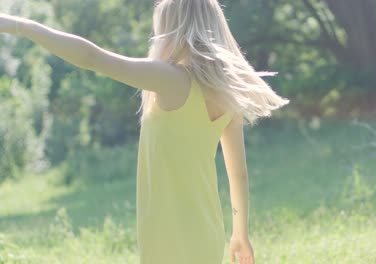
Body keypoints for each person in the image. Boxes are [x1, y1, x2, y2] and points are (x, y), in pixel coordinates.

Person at [0, 0, 289, 263]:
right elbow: (238, 173)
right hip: (207, 228)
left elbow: (91, 57)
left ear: (172, 28)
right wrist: (240, 233)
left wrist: (23, 26)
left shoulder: (169, 79)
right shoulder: (227, 95)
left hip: (168, 232)